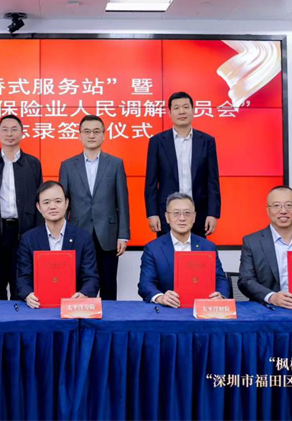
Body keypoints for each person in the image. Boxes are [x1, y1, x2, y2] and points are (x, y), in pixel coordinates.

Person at [59, 115, 129, 300]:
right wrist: (61, 234)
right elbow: (62, 204)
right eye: (87, 131)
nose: (91, 135)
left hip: (107, 233)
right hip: (77, 231)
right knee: (78, 284)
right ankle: (78, 316)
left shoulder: (115, 164)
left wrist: (123, 235)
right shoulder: (67, 165)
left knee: (108, 285)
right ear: (79, 136)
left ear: (103, 135)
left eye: (96, 131)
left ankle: (108, 318)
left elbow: (122, 201)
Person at [0, 114, 43, 300]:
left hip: (24, 232)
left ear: (22, 133)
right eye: (5, 129)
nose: (9, 134)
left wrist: (38, 234)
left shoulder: (33, 164)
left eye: (14, 129)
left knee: (21, 282)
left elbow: (40, 202)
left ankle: (20, 318)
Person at [144, 91, 221, 238]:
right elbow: (151, 183)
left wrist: (213, 214)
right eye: (176, 108)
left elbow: (212, 181)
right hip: (167, 213)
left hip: (198, 213)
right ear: (170, 113)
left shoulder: (207, 141)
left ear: (193, 110)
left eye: (186, 107)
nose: (181, 111)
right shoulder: (157, 142)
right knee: (167, 251)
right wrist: (152, 213)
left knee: (196, 251)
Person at [16, 181, 99, 309]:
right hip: (39, 307)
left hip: (72, 307)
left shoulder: (83, 238)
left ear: (67, 203)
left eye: (58, 201)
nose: (52, 206)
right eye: (46, 202)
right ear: (38, 207)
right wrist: (28, 294)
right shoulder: (28, 239)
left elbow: (91, 277)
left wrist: (84, 294)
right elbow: (23, 277)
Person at [138, 192, 229, 306]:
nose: (182, 218)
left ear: (194, 217)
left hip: (202, 308)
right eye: (176, 213)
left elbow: (220, 279)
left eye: (187, 213)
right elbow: (145, 284)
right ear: (167, 217)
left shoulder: (208, 247)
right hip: (168, 310)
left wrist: (220, 296)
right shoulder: (153, 248)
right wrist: (160, 297)